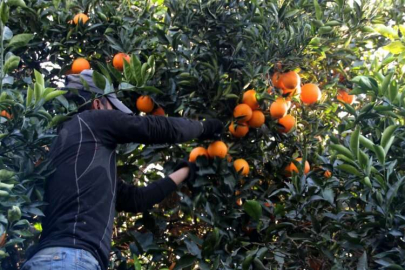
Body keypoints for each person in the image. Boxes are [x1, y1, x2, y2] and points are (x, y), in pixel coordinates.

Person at [21, 70, 223, 270]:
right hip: (70, 260)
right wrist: (205, 128)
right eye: (112, 108)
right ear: (97, 104)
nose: (114, 116)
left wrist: (185, 171)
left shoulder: (68, 149)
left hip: (47, 260)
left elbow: (135, 199)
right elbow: (155, 128)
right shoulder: (91, 120)